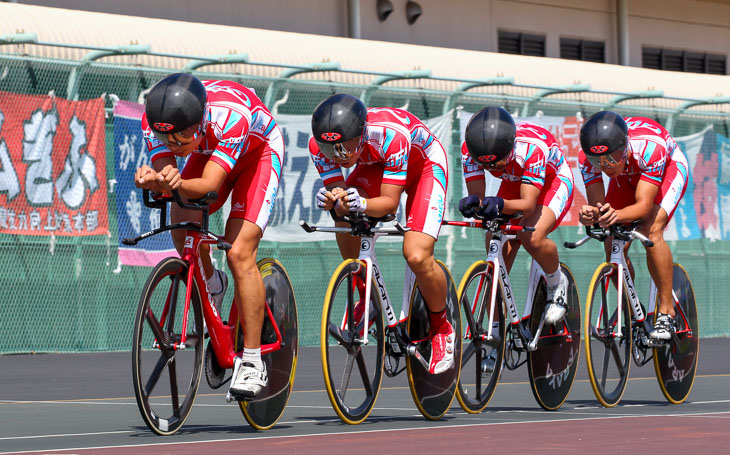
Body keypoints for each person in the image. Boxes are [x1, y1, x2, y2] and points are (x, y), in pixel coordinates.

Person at [133, 73, 284, 399]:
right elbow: (167, 174)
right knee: (182, 221)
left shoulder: (230, 116)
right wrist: (155, 179)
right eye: (166, 139)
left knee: (239, 252)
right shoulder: (156, 120)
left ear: (199, 123)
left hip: (257, 154)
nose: (173, 147)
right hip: (210, 149)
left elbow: (209, 187)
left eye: (179, 140)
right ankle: (212, 283)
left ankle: (253, 361)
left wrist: (170, 183)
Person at [309, 94, 454, 375]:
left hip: (424, 167)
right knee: (344, 218)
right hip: (376, 165)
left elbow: (388, 203)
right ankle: (368, 297)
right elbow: (340, 195)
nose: (339, 155)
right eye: (331, 149)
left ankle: (442, 329)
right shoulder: (318, 145)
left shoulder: (390, 134)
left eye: (347, 147)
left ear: (362, 135)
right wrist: (332, 199)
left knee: (416, 255)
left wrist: (361, 203)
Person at [577, 110, 688, 341]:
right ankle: (632, 309)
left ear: (625, 147)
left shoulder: (650, 147)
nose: (605, 166)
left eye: (611, 158)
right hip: (627, 177)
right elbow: (600, 208)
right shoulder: (586, 158)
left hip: (667, 169)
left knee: (651, 230)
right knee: (610, 239)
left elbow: (644, 206)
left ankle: (667, 312)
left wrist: (615, 214)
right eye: (597, 160)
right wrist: (592, 215)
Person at [459, 107, 575, 325]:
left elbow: (528, 206)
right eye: (485, 165)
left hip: (553, 181)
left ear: (510, 148)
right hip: (514, 183)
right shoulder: (470, 150)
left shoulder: (531, 149)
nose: (490, 168)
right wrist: (474, 204)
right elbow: (478, 197)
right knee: (494, 239)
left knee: (531, 235)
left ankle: (557, 282)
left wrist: (499, 203)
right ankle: (498, 329)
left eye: (497, 163)